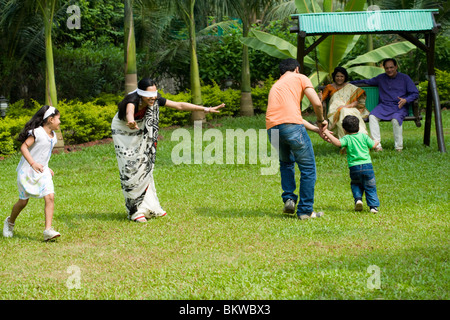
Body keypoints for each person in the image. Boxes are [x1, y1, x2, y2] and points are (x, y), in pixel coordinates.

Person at [112, 78, 225, 222]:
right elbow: (129, 113)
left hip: (140, 129)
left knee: (144, 166)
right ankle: (134, 211)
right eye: (149, 95)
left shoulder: (154, 99)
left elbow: (179, 105)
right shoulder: (132, 101)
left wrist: (206, 109)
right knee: (131, 169)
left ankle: (150, 208)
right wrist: (130, 121)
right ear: (141, 94)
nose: (153, 98)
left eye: (155, 94)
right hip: (123, 131)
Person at [266, 58, 327, 220]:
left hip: (272, 129)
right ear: (297, 69)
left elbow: (291, 116)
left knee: (286, 164)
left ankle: (289, 199)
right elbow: (317, 104)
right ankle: (305, 210)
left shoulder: (277, 85)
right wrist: (321, 121)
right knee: (308, 168)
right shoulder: (300, 77)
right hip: (291, 127)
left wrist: (315, 128)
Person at [3, 105, 62, 241]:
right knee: (23, 202)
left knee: (50, 196)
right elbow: (23, 147)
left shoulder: (53, 137)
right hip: (27, 171)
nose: (60, 122)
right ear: (51, 119)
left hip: (42, 171)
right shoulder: (37, 132)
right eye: (58, 119)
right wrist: (33, 163)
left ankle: (48, 230)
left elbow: (43, 154)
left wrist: (46, 167)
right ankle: (10, 222)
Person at [351, 58, 419, 152]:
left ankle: (398, 147)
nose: (389, 70)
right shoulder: (381, 78)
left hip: (399, 106)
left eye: (391, 67)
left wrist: (406, 100)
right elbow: (366, 82)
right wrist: (347, 83)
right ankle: (377, 145)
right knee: (372, 116)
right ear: (384, 68)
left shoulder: (405, 78)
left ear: (396, 67)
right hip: (384, 106)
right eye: (387, 68)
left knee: (396, 120)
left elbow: (415, 93)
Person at [323, 115, 380, 213]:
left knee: (356, 184)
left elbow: (337, 143)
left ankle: (358, 199)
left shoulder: (347, 138)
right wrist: (376, 141)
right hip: (367, 166)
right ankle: (373, 207)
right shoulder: (364, 136)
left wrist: (326, 132)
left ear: (344, 130)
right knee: (370, 187)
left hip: (354, 168)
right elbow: (373, 145)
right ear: (358, 127)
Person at [321, 66, 369, 139]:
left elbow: (356, 103)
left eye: (341, 76)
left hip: (350, 109)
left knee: (345, 112)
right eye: (337, 76)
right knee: (342, 112)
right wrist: (319, 96)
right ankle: (345, 140)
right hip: (335, 111)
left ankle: (362, 138)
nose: (339, 78)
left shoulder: (350, 87)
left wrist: (344, 107)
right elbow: (320, 100)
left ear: (345, 77)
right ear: (334, 76)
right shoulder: (329, 87)